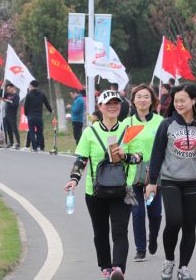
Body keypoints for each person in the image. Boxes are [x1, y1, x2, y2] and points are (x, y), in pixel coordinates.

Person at [64, 90, 143, 280]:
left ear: (121, 106)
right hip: (95, 192)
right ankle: (106, 268)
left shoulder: (128, 130)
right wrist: (74, 180)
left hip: (122, 191)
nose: (113, 106)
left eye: (116, 103)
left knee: (120, 231)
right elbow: (81, 159)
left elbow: (139, 157)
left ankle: (118, 269)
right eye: (108, 104)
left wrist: (125, 155)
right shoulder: (89, 132)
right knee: (100, 233)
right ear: (100, 107)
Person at [145, 84, 196, 280]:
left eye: (183, 100)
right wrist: (151, 182)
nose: (179, 104)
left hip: (194, 182)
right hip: (170, 181)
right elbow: (156, 154)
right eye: (176, 101)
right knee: (174, 220)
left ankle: (183, 268)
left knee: (189, 226)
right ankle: (168, 261)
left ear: (193, 101)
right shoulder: (166, 124)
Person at [123, 84, 163, 262]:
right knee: (137, 213)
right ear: (133, 100)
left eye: (146, 97)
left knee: (154, 214)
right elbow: (122, 151)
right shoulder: (127, 123)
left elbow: (164, 148)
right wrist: (132, 158)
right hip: (133, 177)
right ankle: (140, 249)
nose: (142, 100)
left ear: (152, 101)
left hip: (155, 176)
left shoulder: (161, 122)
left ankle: (152, 238)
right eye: (139, 96)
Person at [24, 80, 52, 152]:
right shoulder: (42, 94)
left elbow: (25, 106)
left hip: (31, 116)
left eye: (30, 85)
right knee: (40, 132)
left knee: (32, 132)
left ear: (32, 86)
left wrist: (26, 113)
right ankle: (41, 146)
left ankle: (35, 147)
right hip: (39, 116)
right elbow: (46, 103)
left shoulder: (29, 94)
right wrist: (51, 110)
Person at [3, 84, 21, 149]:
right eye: (7, 89)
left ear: (12, 88)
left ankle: (18, 143)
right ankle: (11, 142)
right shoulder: (7, 94)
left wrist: (8, 101)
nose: (8, 90)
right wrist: (2, 88)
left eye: (9, 88)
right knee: (8, 130)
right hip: (6, 114)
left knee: (14, 129)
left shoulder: (16, 96)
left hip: (12, 115)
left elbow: (15, 105)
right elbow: (1, 96)